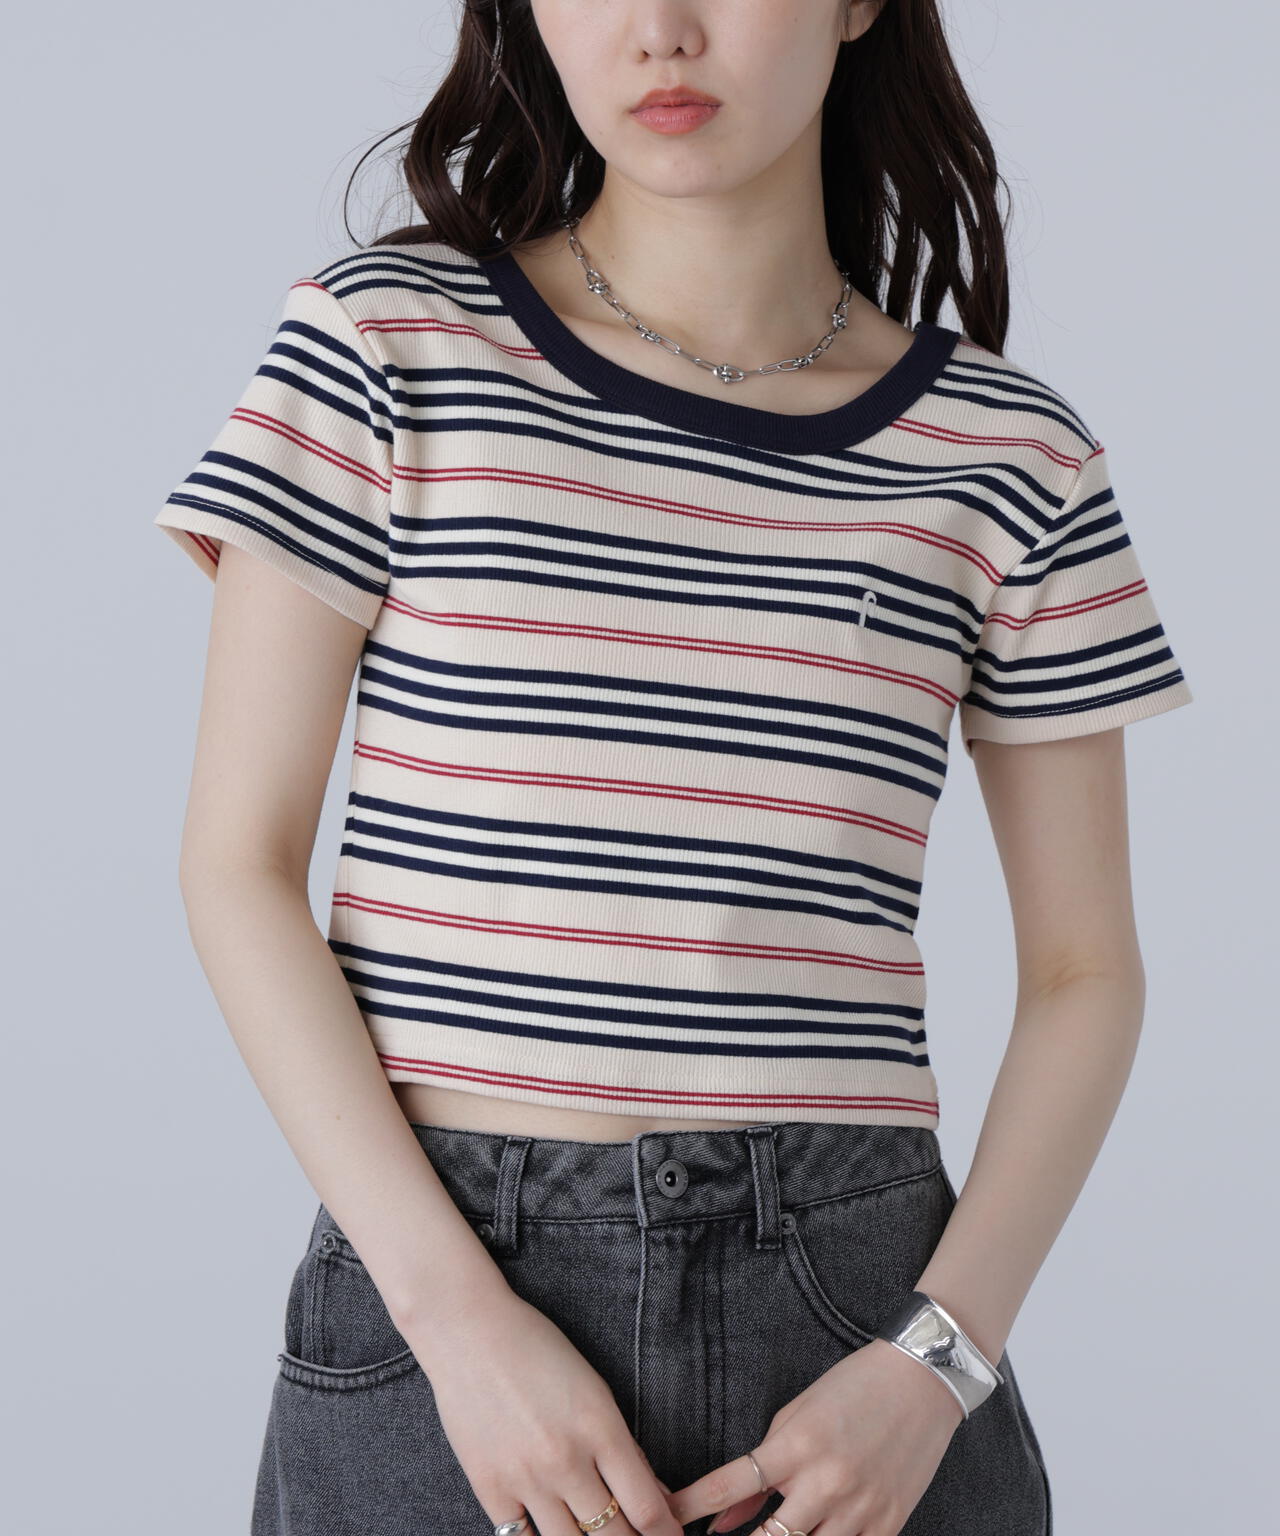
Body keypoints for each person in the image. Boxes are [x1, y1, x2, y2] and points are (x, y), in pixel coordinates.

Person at [155, 3, 1193, 1533]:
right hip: (448, 1291)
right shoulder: (385, 346)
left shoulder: (1010, 455)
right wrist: (457, 1324)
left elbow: (1088, 971)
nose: (659, 31)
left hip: (854, 1325)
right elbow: (235, 867)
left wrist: (938, 1362)